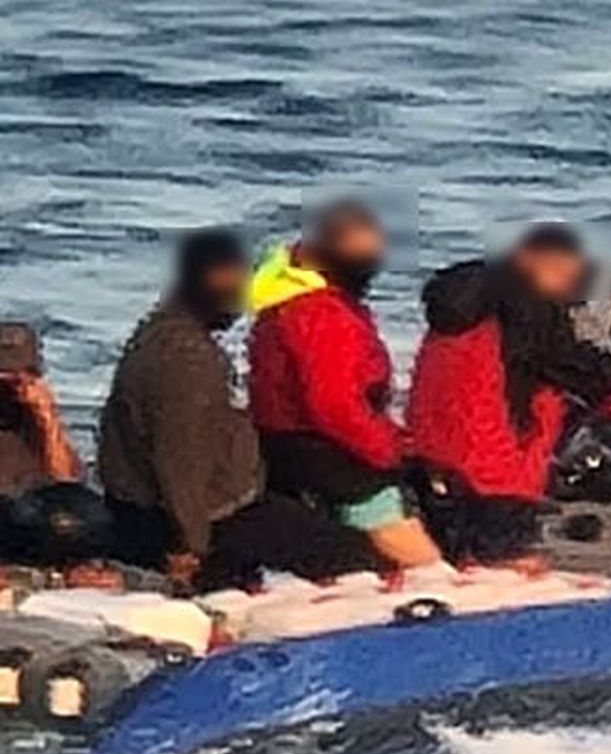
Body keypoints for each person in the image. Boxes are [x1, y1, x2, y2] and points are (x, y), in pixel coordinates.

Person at [98, 229, 380, 590]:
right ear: (209, 279)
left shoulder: (157, 331)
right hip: (208, 516)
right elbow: (180, 457)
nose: (240, 299)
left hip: (177, 505)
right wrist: (192, 546)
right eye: (233, 283)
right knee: (354, 556)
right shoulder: (187, 356)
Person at [407, 223, 611, 563]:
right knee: (507, 571)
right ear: (528, 260)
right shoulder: (527, 310)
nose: (565, 284)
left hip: (433, 456)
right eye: (559, 271)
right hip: (495, 471)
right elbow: (590, 374)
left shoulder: (463, 305)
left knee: (454, 566)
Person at [248, 201, 440, 571]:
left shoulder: (294, 299)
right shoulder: (320, 312)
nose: (371, 262)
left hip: (288, 442)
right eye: (362, 252)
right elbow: (335, 405)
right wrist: (389, 452)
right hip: (321, 447)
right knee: (411, 552)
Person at [0, 319, 112, 565]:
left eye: (18, 380)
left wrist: (47, 418)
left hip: (34, 518)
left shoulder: (33, 418)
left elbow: (67, 481)